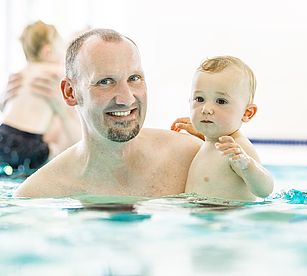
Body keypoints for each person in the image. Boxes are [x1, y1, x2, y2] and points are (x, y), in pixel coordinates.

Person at [14, 28, 202, 198]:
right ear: (70, 92)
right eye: (105, 82)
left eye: (134, 78)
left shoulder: (191, 156)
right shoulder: (40, 194)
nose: (127, 99)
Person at [172, 56, 273, 201]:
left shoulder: (237, 149)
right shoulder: (213, 142)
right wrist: (202, 133)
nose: (206, 109)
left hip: (225, 219)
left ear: (246, 113)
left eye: (221, 101)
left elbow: (265, 190)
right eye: (199, 99)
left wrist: (247, 165)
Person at [0, 21, 80, 174]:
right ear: (48, 51)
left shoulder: (21, 73)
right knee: (55, 153)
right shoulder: (58, 73)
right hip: (31, 142)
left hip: (3, 134)